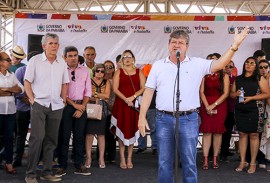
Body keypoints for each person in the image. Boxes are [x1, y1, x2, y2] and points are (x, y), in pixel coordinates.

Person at [138, 27, 249, 183]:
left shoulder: (197, 64)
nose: (177, 45)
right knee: (164, 162)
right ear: (168, 44)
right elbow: (148, 92)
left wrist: (234, 46)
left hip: (188, 119)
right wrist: (141, 117)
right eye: (173, 42)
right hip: (163, 118)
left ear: (187, 46)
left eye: (181, 42)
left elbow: (218, 64)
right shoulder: (158, 65)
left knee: (189, 162)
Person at [24, 33, 69, 183]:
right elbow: (27, 81)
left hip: (56, 105)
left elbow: (65, 83)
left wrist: (63, 100)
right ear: (44, 46)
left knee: (51, 140)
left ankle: (47, 172)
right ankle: (30, 174)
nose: (54, 46)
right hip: (39, 105)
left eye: (56, 43)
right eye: (51, 43)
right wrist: (32, 100)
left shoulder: (62, 62)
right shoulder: (35, 61)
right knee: (37, 139)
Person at [55, 46, 92, 177]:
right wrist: (75, 106)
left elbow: (88, 91)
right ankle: (62, 165)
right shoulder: (61, 70)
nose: (73, 58)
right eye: (70, 56)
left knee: (79, 137)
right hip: (66, 106)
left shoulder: (85, 70)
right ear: (65, 57)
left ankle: (79, 165)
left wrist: (82, 107)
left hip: (82, 105)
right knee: (64, 136)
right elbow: (61, 92)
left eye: (75, 55)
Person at [231, 57, 270, 174]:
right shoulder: (238, 79)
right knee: (242, 134)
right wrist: (235, 93)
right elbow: (231, 95)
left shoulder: (259, 78)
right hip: (240, 110)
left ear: (256, 66)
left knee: (254, 135)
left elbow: (267, 93)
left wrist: (252, 98)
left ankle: (252, 162)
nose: (248, 64)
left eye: (252, 63)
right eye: (247, 62)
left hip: (255, 110)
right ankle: (243, 161)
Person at [111, 50, 146, 169]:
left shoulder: (139, 72)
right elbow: (115, 89)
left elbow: (143, 88)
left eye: (129, 57)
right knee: (121, 131)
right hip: (121, 105)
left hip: (134, 105)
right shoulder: (118, 72)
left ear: (133, 58)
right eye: (124, 57)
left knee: (131, 130)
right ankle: (122, 158)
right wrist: (126, 99)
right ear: (122, 59)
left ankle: (129, 159)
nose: (127, 59)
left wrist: (133, 97)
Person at [199, 59, 230, 170]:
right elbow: (201, 91)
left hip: (220, 104)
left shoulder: (224, 75)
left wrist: (214, 105)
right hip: (206, 103)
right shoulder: (204, 74)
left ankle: (215, 159)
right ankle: (206, 159)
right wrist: (207, 105)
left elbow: (226, 93)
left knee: (218, 132)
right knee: (207, 132)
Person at [0, 52, 24, 174]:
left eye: (9, 60)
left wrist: (6, 90)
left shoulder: (12, 74)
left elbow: (20, 89)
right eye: (7, 60)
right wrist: (11, 91)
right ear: (0, 62)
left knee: (9, 138)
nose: (10, 61)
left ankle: (8, 163)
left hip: (10, 112)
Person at [85, 64, 110, 169]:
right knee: (89, 134)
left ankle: (101, 158)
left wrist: (95, 95)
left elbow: (107, 96)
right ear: (94, 71)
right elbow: (87, 95)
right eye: (98, 71)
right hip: (90, 109)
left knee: (101, 135)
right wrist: (100, 96)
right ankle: (88, 157)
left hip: (102, 110)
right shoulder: (89, 80)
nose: (100, 73)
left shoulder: (107, 82)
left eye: (102, 71)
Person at [220, 60, 237, 161]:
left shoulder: (235, 80)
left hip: (230, 109)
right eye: (226, 66)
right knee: (216, 131)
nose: (227, 68)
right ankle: (211, 153)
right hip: (218, 108)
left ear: (233, 69)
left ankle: (224, 152)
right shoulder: (217, 79)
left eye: (230, 67)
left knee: (228, 131)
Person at [104, 60, 117, 163]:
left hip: (113, 110)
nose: (108, 69)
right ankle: (101, 156)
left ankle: (112, 156)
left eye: (110, 67)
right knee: (101, 134)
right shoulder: (99, 79)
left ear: (113, 69)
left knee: (111, 134)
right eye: (106, 67)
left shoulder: (116, 80)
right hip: (102, 110)